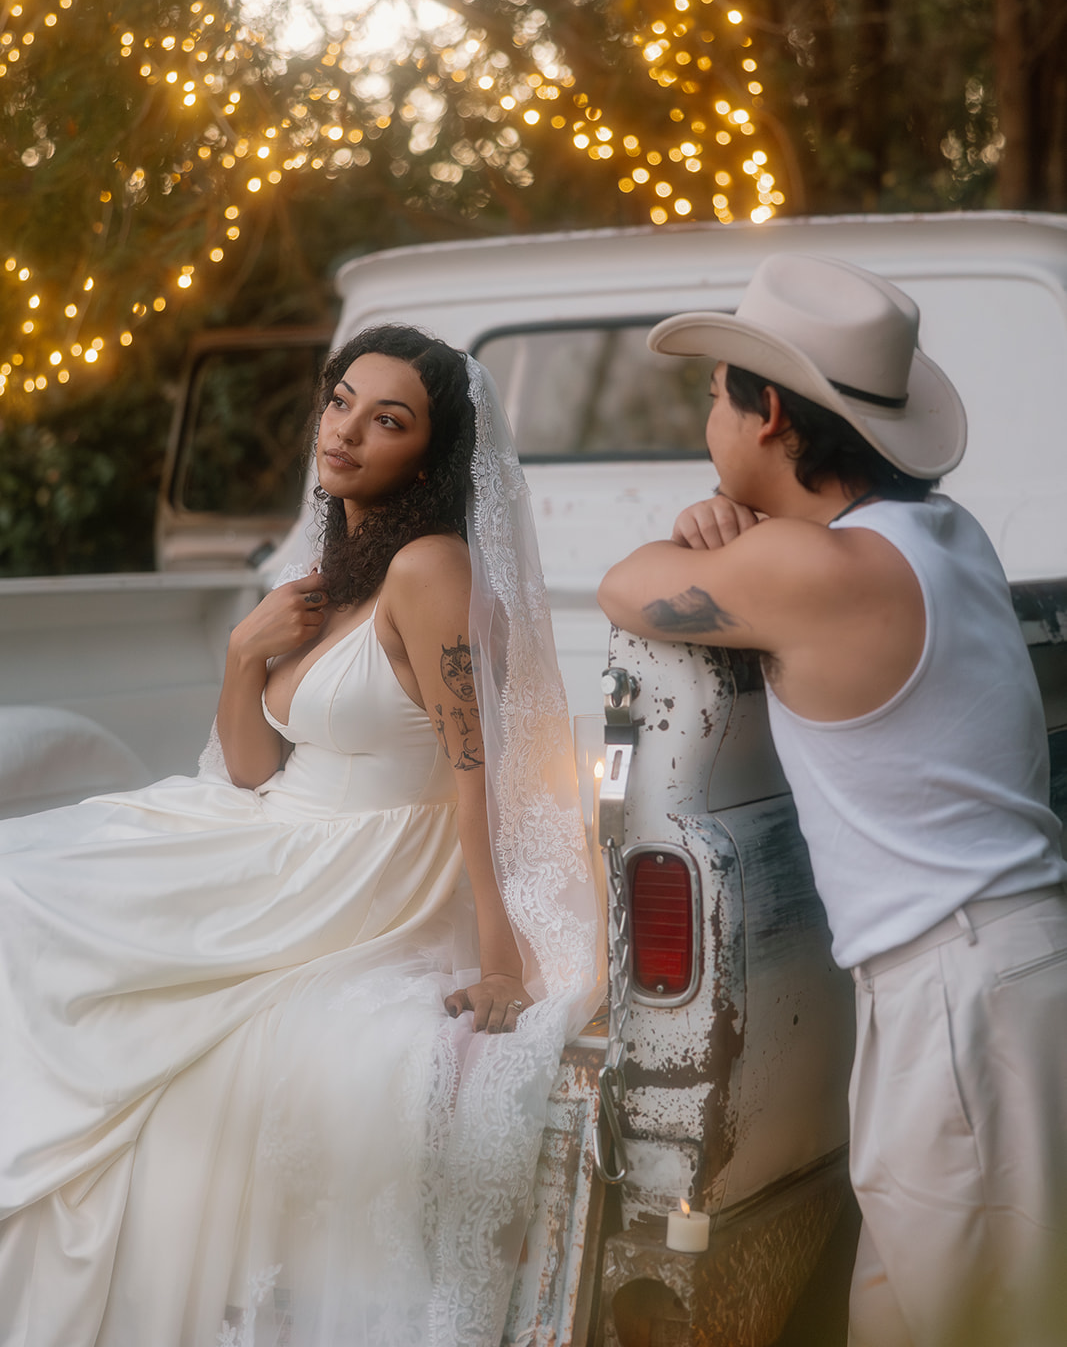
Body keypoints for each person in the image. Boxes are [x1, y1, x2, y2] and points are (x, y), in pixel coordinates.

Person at [0, 324, 602, 1347]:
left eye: (389, 419)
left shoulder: (429, 568)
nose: (348, 431)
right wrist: (243, 658)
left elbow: (481, 772)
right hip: (267, 827)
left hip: (358, 870)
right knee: (25, 877)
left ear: (430, 451)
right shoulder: (329, 566)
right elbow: (248, 768)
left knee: (44, 919)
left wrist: (500, 952)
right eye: (339, 402)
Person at [598, 254, 1067, 1347]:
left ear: (767, 415)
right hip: (993, 971)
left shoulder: (817, 572)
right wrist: (732, 524)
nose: (703, 412)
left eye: (716, 392)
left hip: (956, 1001)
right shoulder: (941, 538)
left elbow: (629, 584)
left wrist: (701, 525)